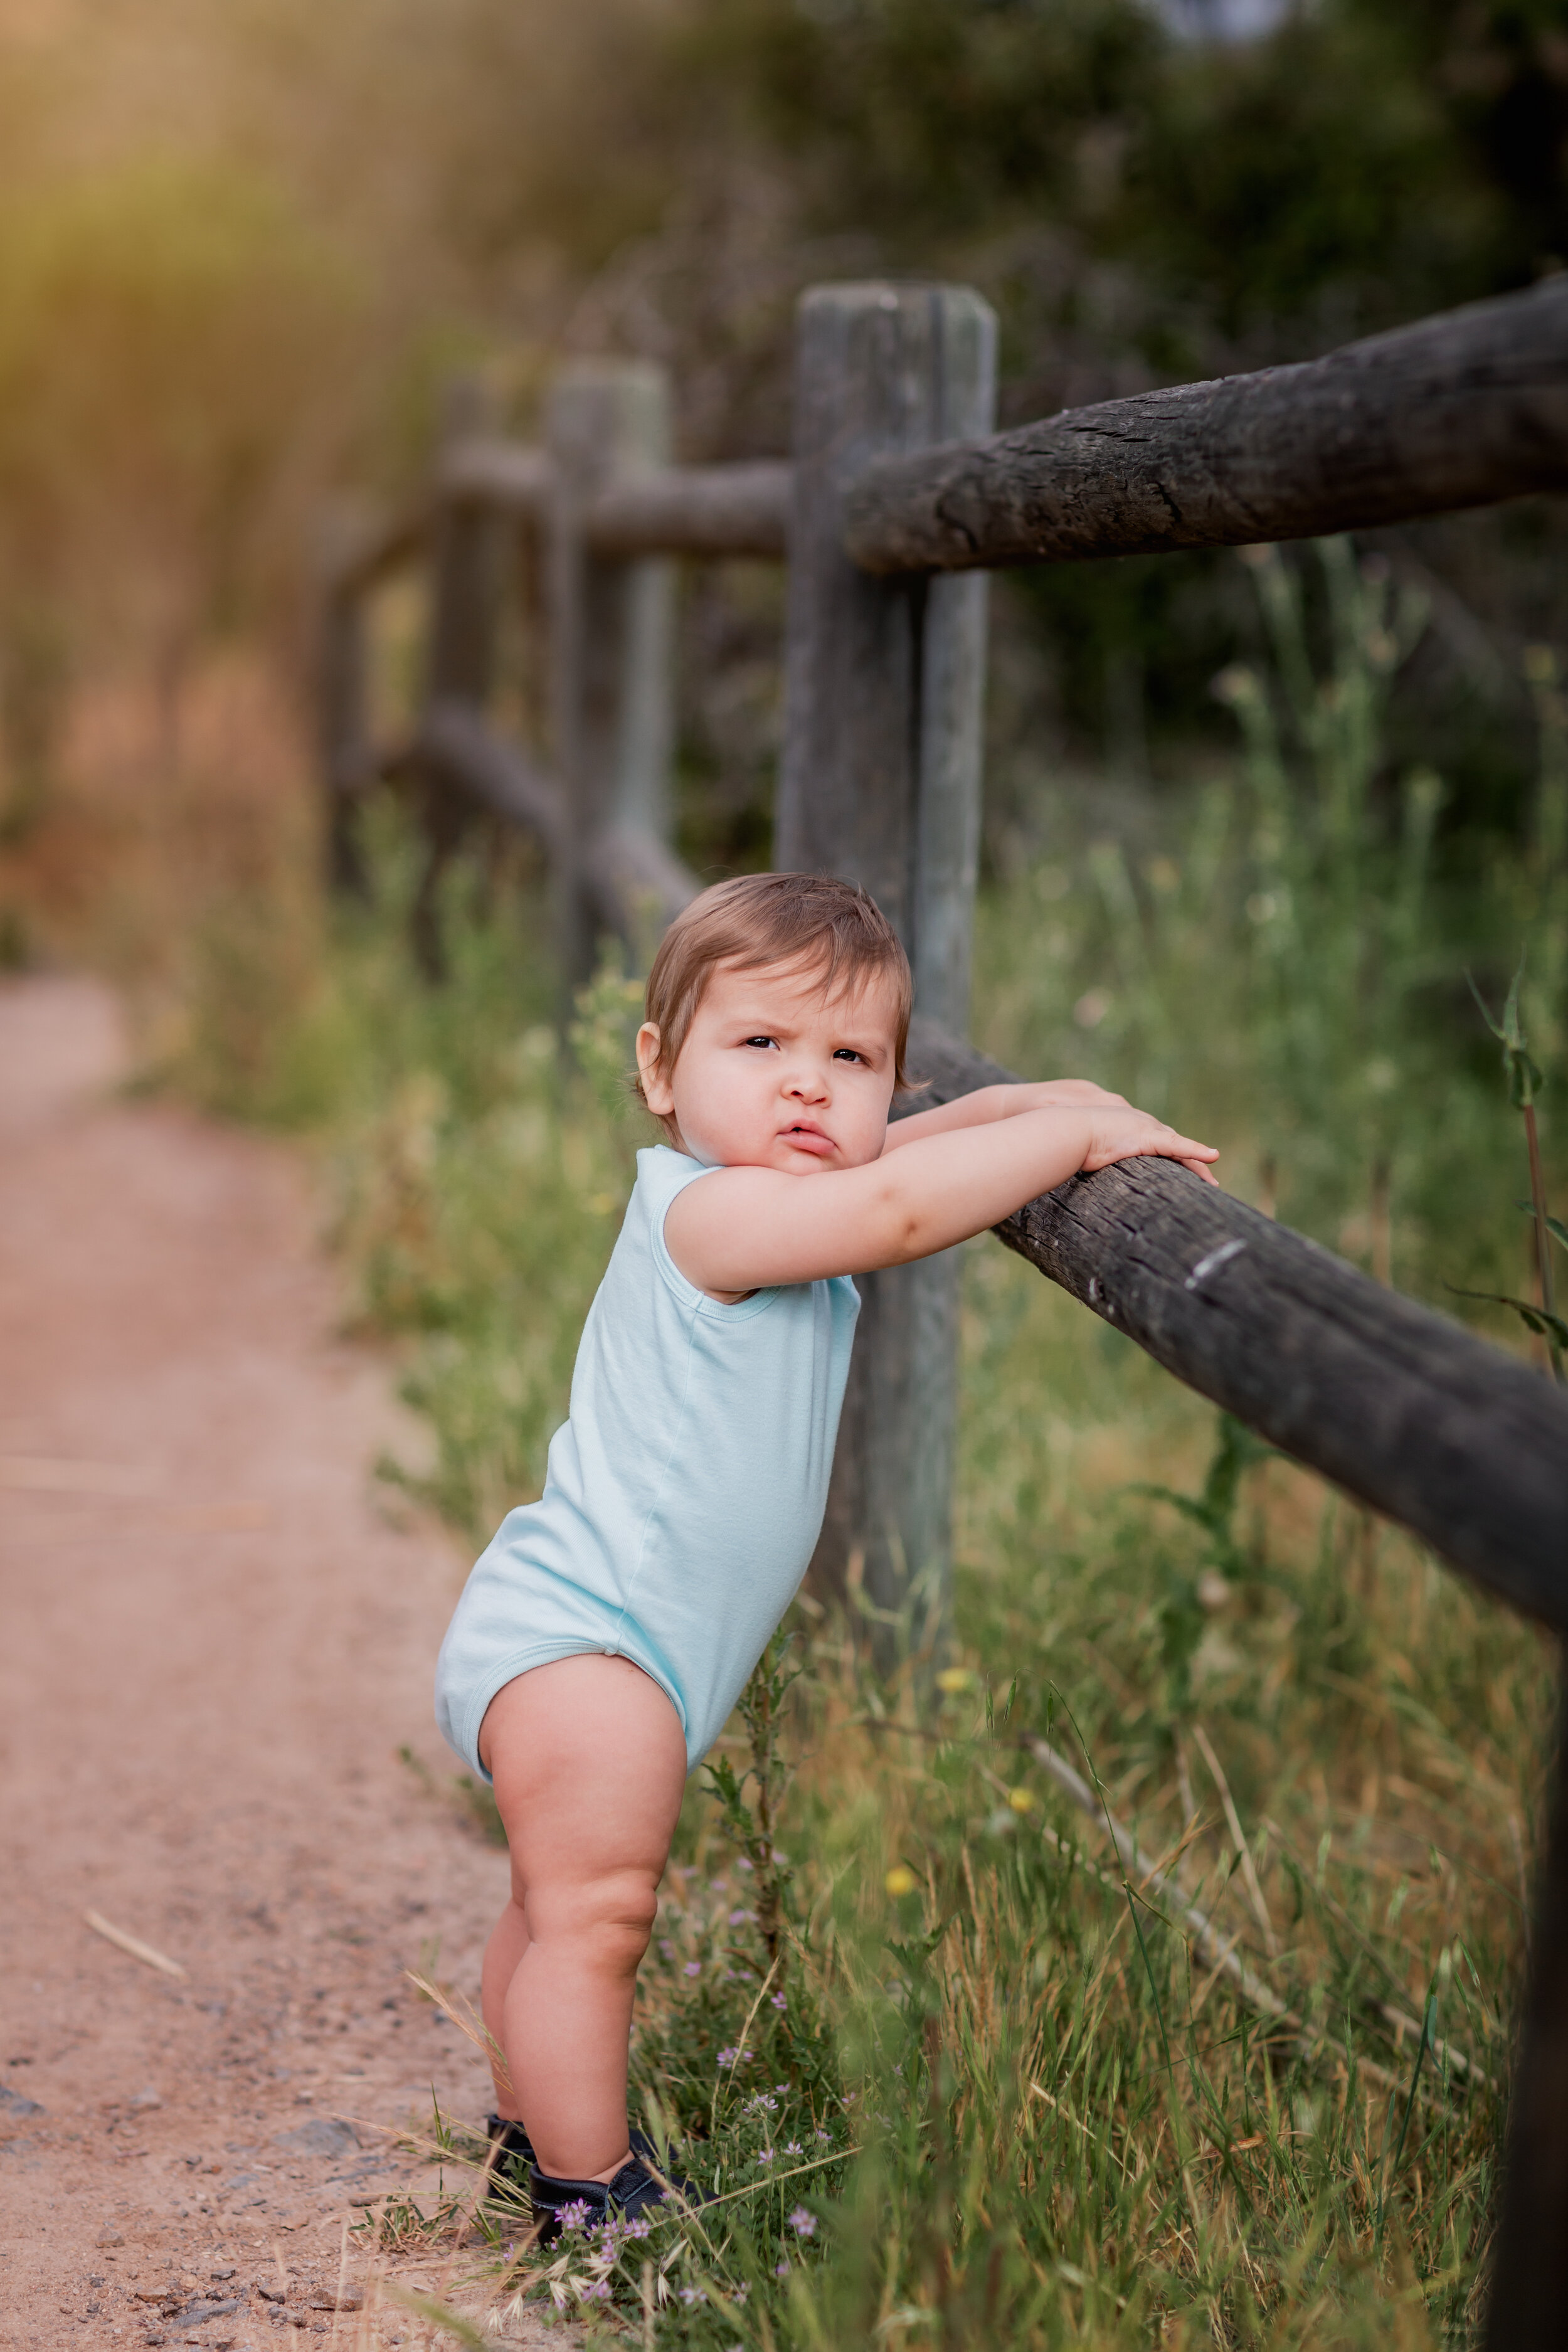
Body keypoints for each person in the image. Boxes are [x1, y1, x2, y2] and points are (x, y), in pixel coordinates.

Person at [433, 871, 1217, 2233]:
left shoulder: (777, 1187)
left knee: (553, 1907)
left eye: (846, 1059)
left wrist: (1063, 1106)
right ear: (659, 1071)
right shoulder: (715, 1218)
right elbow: (906, 1207)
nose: (807, 1089)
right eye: (761, 1047)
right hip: (591, 1648)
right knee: (598, 1920)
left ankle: (524, 2135)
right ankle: (590, 2191)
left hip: (604, 1641)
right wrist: (1067, 1143)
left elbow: (917, 1143)